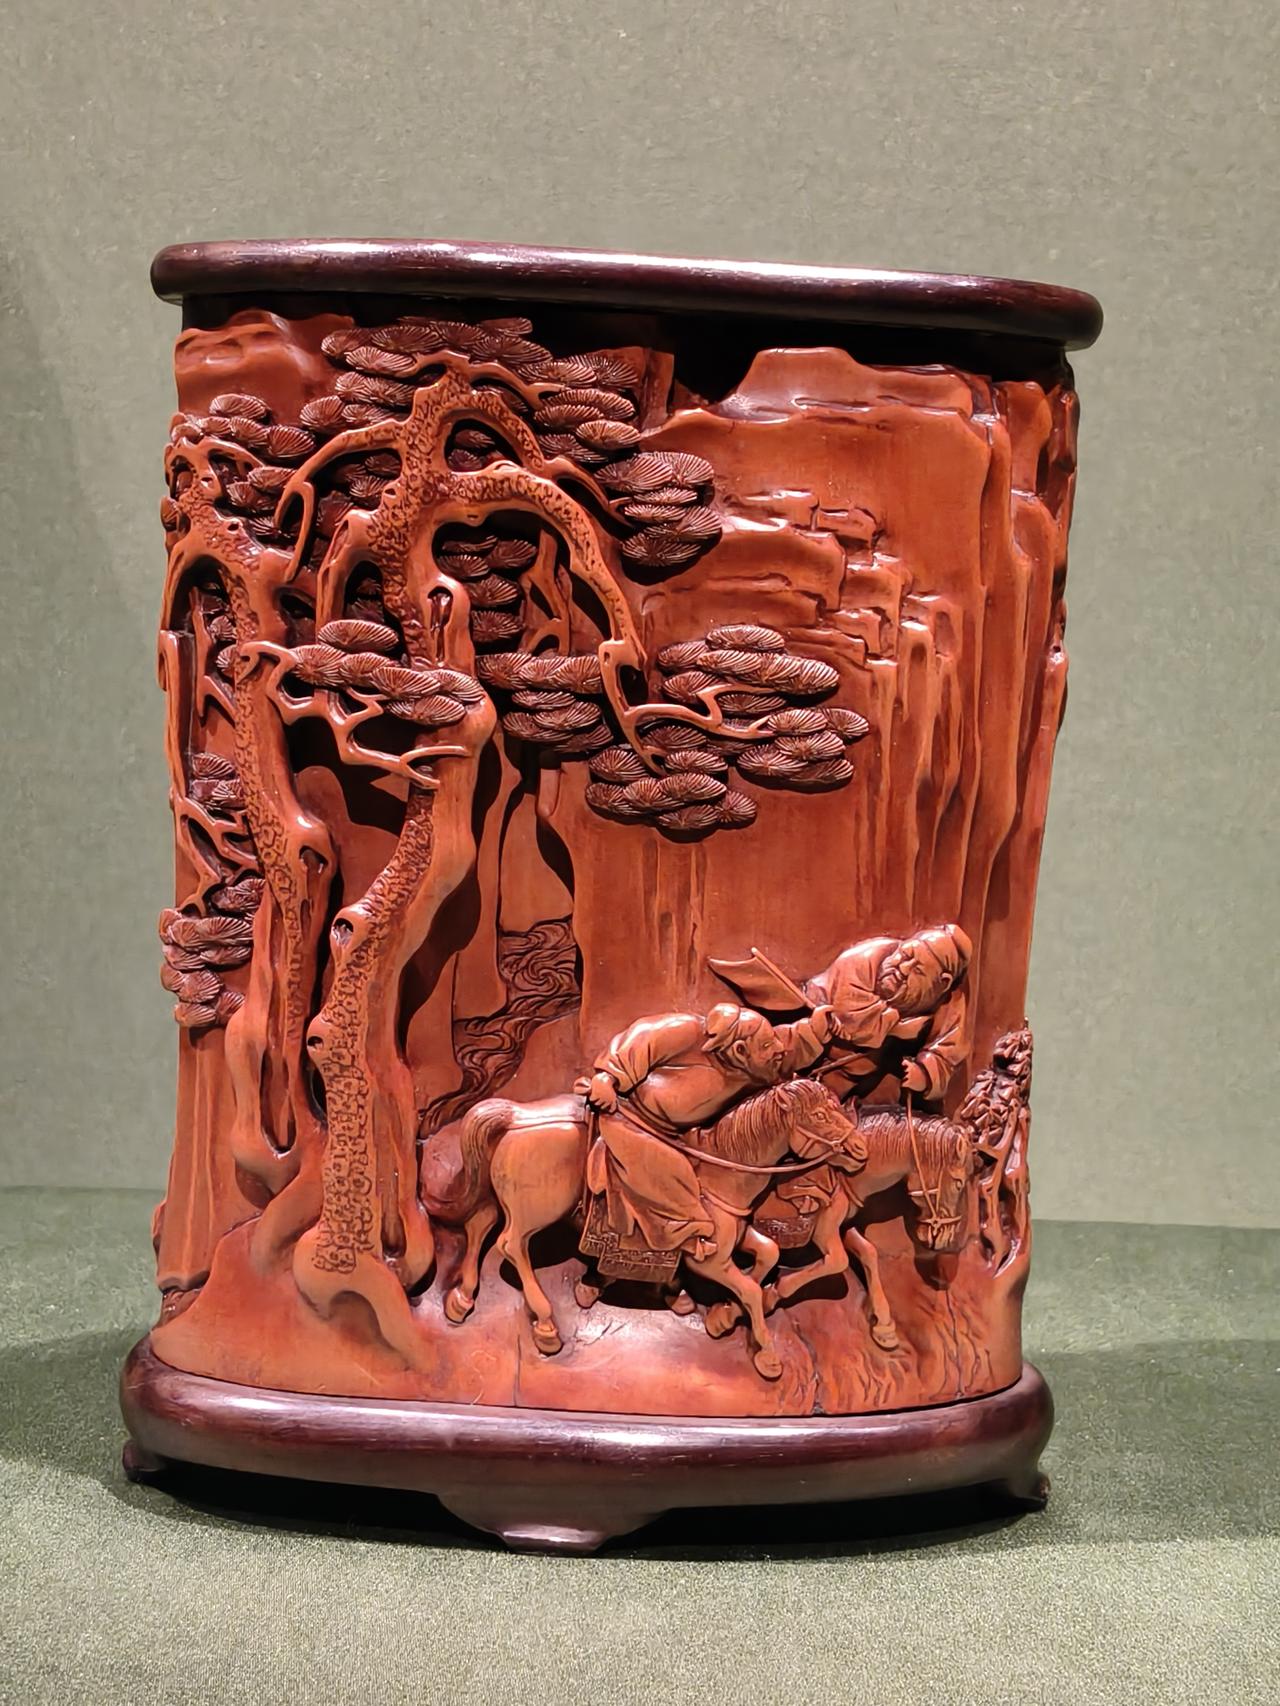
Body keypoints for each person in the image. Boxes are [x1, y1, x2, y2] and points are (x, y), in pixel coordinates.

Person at [581, 1002, 836, 1260]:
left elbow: (787, 1048)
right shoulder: (687, 1031)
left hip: (679, 1134)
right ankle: (688, 1235)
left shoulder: (759, 1064)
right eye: (768, 1045)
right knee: (672, 1170)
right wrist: (607, 1078)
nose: (777, 1048)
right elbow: (642, 1039)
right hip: (628, 1116)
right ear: (739, 1050)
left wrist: (814, 1030)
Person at [710, 923, 972, 1102]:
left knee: (824, 1106)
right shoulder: (868, 957)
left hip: (854, 1074)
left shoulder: (948, 1003)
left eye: (918, 970)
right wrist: (893, 1024)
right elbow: (849, 1017)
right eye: (905, 956)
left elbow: (946, 1051)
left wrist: (924, 1075)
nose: (902, 968)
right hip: (813, 1033)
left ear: (942, 983)